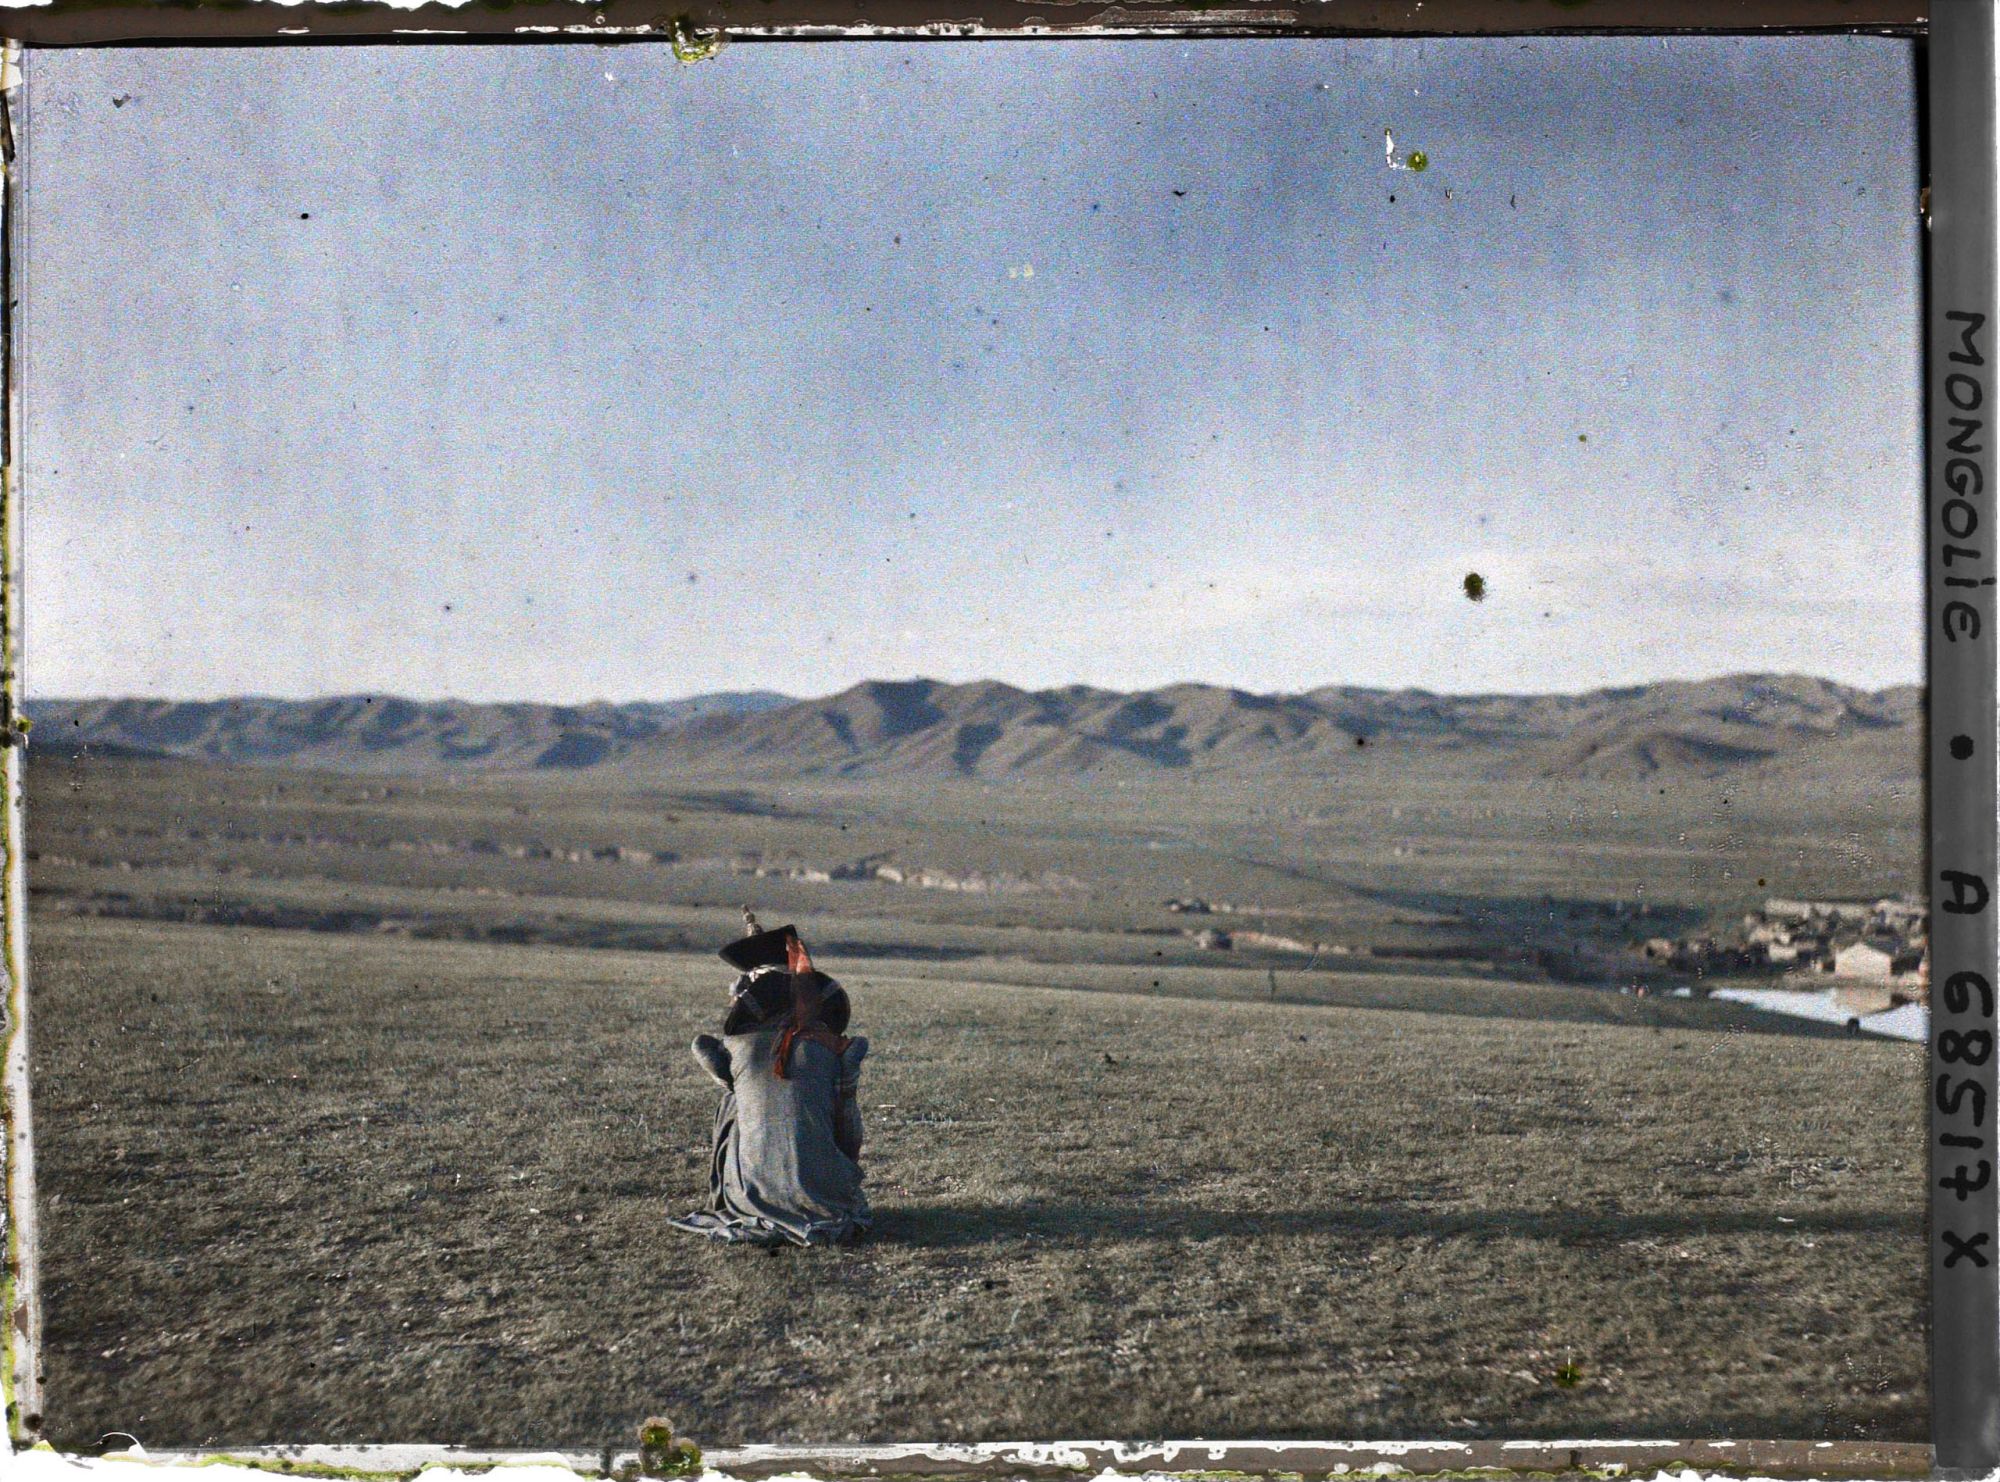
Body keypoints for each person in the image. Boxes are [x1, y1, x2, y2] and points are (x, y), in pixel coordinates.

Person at [669, 916, 872, 1247]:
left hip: (747, 1199)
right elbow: (849, 1142)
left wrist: (734, 1073)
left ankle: (752, 1189)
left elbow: (701, 1046)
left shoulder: (739, 1047)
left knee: (735, 1100)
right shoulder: (831, 1046)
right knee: (825, 1102)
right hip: (826, 1200)